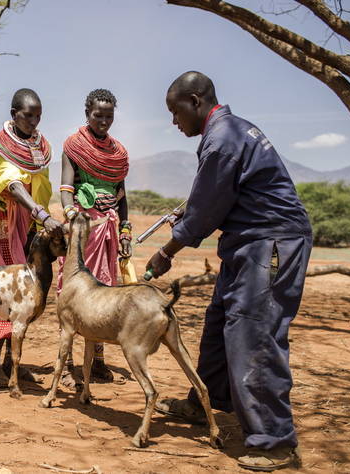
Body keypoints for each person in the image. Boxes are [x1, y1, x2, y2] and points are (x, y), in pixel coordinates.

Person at [146, 71, 312, 471]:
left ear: (196, 101)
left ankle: (275, 441)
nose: (174, 121)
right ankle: (206, 402)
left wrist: (166, 251)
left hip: (268, 243)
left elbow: (205, 213)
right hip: (247, 244)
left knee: (254, 333)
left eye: (175, 111)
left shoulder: (221, 139)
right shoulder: (232, 131)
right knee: (221, 323)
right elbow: (219, 193)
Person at [0, 88, 63, 387]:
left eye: (38, 116)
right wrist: (42, 215)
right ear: (13, 114)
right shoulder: (3, 145)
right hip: (4, 225)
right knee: (4, 292)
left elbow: (39, 184)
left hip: (27, 226)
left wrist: (37, 217)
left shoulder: (39, 147)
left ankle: (11, 361)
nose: (33, 121)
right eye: (27, 115)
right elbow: (13, 184)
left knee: (25, 294)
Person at [58, 89, 130, 388]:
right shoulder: (74, 146)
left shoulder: (118, 154)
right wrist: (72, 214)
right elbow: (65, 187)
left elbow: (122, 196)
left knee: (104, 293)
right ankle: (67, 364)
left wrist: (126, 230)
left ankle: (98, 361)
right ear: (86, 113)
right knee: (74, 294)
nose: (103, 121)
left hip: (109, 234)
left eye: (109, 116)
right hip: (83, 231)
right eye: (98, 115)